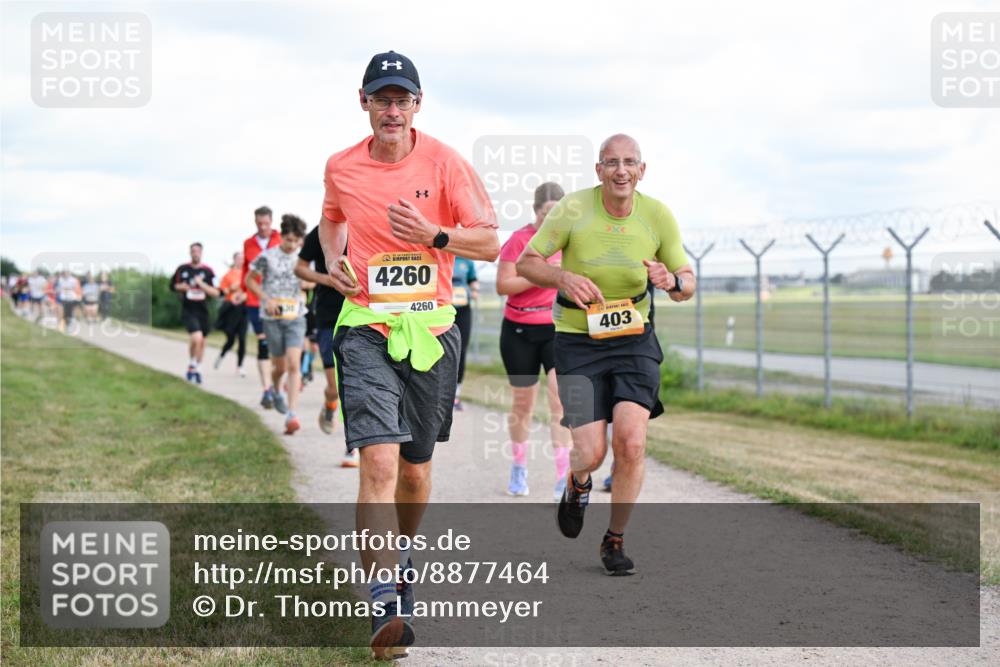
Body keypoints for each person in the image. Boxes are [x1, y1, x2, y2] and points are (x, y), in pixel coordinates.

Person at [319, 50, 498, 659]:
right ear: (363, 101)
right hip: (365, 324)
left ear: (417, 105)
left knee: (415, 471)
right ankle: (383, 595)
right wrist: (334, 260)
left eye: (403, 99)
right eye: (381, 98)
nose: (392, 110)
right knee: (378, 462)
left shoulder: (447, 163)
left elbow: (492, 243)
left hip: (430, 329)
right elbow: (331, 219)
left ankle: (402, 555)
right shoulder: (340, 166)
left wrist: (436, 235)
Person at [516, 134, 695, 576]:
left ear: (641, 170)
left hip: (634, 339)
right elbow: (526, 262)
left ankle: (614, 540)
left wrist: (669, 280)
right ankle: (578, 483)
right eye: (611, 162)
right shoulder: (573, 209)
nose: (620, 170)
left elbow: (687, 284)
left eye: (629, 162)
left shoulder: (657, 215)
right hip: (577, 341)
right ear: (598, 170)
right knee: (591, 453)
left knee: (631, 442)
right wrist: (561, 277)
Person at [496, 182, 572, 501]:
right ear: (535, 210)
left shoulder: (569, 241)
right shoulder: (519, 240)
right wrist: (539, 273)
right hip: (519, 330)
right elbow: (503, 285)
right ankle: (519, 466)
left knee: (559, 403)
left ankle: (562, 478)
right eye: (545, 213)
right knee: (523, 405)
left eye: (556, 214)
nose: (549, 219)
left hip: (556, 329)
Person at [295, 225, 357, 463]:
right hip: (329, 316)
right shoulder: (321, 232)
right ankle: (330, 402)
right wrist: (329, 279)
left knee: (353, 385)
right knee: (336, 387)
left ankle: (352, 446)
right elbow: (299, 268)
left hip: (363, 313)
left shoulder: (368, 222)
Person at [246, 214, 309, 435]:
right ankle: (275, 389)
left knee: (294, 364)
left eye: (296, 241)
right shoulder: (267, 257)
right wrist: (266, 298)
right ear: (281, 236)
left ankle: (292, 414)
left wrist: (307, 282)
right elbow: (249, 280)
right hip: (272, 318)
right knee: (279, 367)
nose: (292, 245)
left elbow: (313, 280)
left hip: (296, 317)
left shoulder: (303, 259)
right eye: (288, 240)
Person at [242, 206, 281, 407]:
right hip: (255, 300)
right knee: (263, 343)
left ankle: (276, 385)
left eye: (266, 223)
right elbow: (245, 272)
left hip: (279, 301)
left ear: (271, 221)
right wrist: (242, 290)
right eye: (259, 223)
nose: (263, 227)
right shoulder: (248, 243)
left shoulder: (281, 239)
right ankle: (267, 389)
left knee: (278, 348)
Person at [170, 242, 219, 384]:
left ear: (201, 253)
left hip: (203, 310)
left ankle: (197, 368)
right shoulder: (182, 269)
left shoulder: (208, 271)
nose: (195, 253)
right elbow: (172, 286)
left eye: (198, 251)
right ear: (190, 252)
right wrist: (181, 287)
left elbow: (216, 292)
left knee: (201, 341)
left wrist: (202, 284)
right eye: (193, 251)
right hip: (188, 309)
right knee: (196, 338)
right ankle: (192, 363)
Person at [450, 256, 479, 410]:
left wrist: (475, 290)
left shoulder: (467, 260)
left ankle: (456, 394)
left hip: (462, 309)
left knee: (461, 351)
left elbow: (473, 279)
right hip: (442, 310)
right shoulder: (439, 252)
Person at [215, 252, 249, 376]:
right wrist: (231, 288)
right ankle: (222, 355)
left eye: (242, 259)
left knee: (242, 338)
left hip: (243, 309)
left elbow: (252, 290)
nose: (240, 261)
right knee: (230, 339)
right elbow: (221, 292)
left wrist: (244, 296)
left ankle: (240, 366)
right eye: (238, 259)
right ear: (234, 260)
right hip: (230, 309)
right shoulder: (228, 275)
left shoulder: (248, 274)